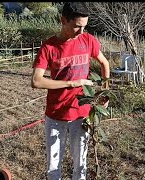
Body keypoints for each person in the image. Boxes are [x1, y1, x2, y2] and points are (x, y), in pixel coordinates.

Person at [31, 2, 110, 180]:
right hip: (55, 114)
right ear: (63, 20)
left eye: (84, 27)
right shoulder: (49, 47)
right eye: (77, 26)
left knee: (80, 163)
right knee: (53, 166)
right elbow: (36, 81)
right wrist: (72, 83)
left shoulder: (88, 40)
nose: (81, 32)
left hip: (82, 114)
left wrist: (105, 92)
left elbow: (104, 63)